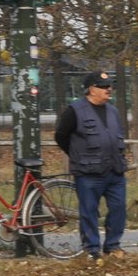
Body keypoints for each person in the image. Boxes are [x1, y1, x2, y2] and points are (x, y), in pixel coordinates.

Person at [54, 69, 127, 259]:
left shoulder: (113, 111)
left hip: (115, 170)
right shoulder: (75, 110)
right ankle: (92, 250)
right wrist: (77, 155)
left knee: (118, 209)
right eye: (103, 87)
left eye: (109, 86)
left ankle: (112, 245)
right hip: (88, 173)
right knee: (89, 212)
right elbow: (61, 136)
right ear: (91, 89)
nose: (108, 89)